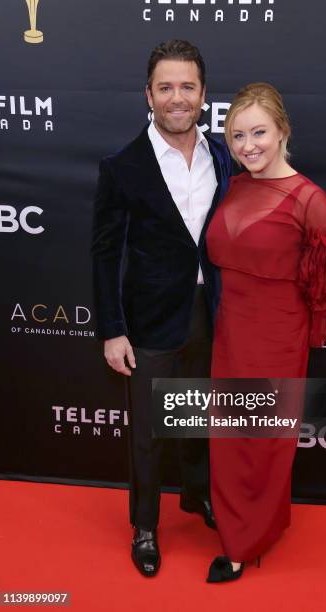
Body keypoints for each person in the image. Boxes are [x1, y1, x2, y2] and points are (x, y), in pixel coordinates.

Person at [205, 82, 326, 583]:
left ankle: (243, 543)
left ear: (282, 133)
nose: (248, 145)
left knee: (262, 439)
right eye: (237, 136)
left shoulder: (309, 199)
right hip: (230, 332)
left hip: (276, 338)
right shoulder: (232, 185)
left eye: (259, 133)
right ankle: (246, 525)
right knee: (229, 437)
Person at [91, 40, 232, 577]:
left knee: (198, 420)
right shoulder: (122, 166)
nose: (178, 97)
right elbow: (105, 254)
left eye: (187, 87)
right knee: (149, 434)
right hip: (149, 321)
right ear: (148, 95)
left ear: (202, 94)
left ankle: (197, 497)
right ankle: (145, 525)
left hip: (210, 314)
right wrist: (111, 330)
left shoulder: (223, 154)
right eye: (166, 87)